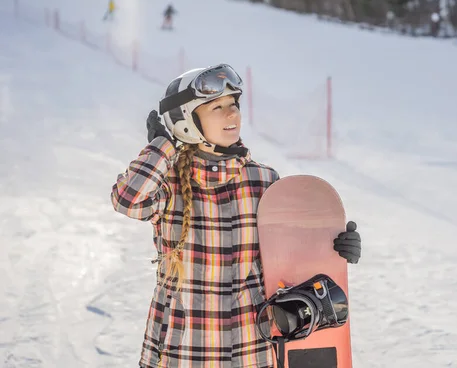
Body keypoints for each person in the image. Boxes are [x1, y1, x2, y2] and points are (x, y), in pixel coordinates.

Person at [110, 64, 361, 368]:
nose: (231, 114)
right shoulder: (169, 181)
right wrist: (161, 147)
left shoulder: (265, 181)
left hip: (250, 351)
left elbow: (291, 258)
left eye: (234, 104)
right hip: (183, 352)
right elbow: (127, 200)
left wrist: (333, 247)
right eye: (216, 107)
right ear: (185, 121)